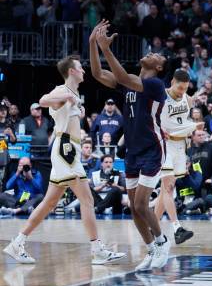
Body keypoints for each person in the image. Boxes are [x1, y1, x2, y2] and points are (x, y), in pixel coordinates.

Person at [3, 52, 125, 265]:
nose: (84, 70)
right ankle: (97, 250)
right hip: (65, 150)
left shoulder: (73, 94)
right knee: (86, 200)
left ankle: (17, 243)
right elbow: (42, 100)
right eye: (81, 67)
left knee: (49, 203)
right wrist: (67, 99)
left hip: (69, 149)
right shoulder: (63, 90)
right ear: (71, 71)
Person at [90, 20, 171, 271]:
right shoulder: (129, 84)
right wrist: (93, 43)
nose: (150, 53)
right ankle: (151, 249)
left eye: (156, 55)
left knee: (139, 204)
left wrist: (106, 49)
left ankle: (162, 242)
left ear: (157, 67)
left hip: (152, 149)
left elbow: (123, 77)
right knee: (135, 210)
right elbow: (97, 73)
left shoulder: (155, 85)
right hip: (133, 151)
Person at [155, 69, 201, 245]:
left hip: (180, 146)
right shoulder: (161, 96)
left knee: (165, 190)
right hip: (164, 145)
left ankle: (153, 227)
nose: (182, 91)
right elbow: (150, 118)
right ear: (172, 82)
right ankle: (177, 228)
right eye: (180, 87)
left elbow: (183, 122)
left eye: (185, 88)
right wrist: (158, 131)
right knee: (168, 187)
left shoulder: (187, 99)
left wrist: (193, 128)